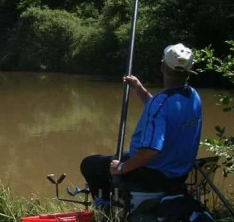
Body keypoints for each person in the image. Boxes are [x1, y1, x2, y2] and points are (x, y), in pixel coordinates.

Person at [80, 43, 203, 203]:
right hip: (178, 171)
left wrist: (122, 168)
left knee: (90, 164)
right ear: (190, 68)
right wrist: (138, 88)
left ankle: (106, 212)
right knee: (117, 157)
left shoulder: (160, 104)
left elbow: (149, 151)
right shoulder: (193, 96)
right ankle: (117, 199)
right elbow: (163, 110)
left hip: (155, 174)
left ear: (162, 67)